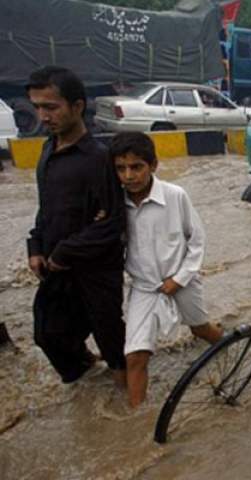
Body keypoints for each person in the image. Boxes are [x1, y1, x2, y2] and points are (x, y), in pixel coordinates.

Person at [26, 66, 126, 385]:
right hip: (56, 266)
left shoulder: (99, 159)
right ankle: (85, 380)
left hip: (96, 270)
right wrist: (36, 247)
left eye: (51, 107)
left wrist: (65, 251)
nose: (43, 116)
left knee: (113, 343)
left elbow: (113, 223)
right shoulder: (47, 150)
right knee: (48, 334)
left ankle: (128, 410)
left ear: (77, 107)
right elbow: (47, 209)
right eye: (37, 107)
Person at [110, 132, 223, 407]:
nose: (129, 175)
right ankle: (137, 424)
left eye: (136, 167)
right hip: (144, 288)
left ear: (153, 165)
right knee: (135, 356)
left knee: (201, 330)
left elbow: (196, 240)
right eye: (121, 168)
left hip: (182, 280)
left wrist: (180, 278)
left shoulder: (175, 196)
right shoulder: (114, 204)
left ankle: (234, 348)